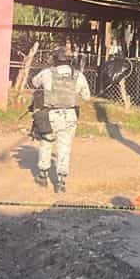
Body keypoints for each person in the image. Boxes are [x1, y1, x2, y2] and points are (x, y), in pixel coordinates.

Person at [27, 47, 91, 193]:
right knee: (65, 147)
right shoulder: (79, 75)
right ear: (70, 60)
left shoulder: (47, 73)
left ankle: (43, 176)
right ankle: (61, 181)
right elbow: (86, 97)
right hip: (70, 115)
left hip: (50, 115)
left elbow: (34, 83)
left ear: (55, 59)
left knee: (46, 143)